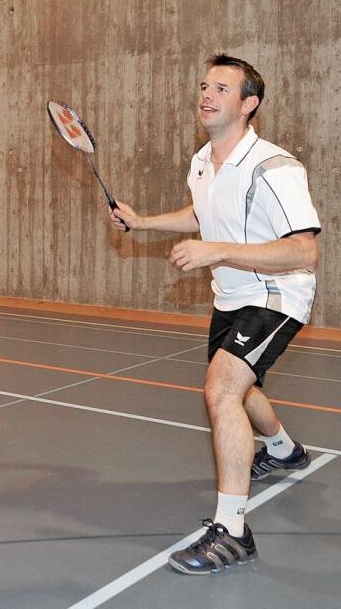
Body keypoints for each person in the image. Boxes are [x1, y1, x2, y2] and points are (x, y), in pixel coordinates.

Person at [110, 55, 320, 575]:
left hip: (276, 294)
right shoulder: (203, 160)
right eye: (204, 86)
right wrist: (145, 222)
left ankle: (232, 531)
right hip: (230, 296)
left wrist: (217, 251)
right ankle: (286, 450)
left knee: (222, 388)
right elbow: (201, 213)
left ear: (249, 104)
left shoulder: (277, 167)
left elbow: (303, 252)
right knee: (242, 388)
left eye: (221, 88)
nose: (206, 95)